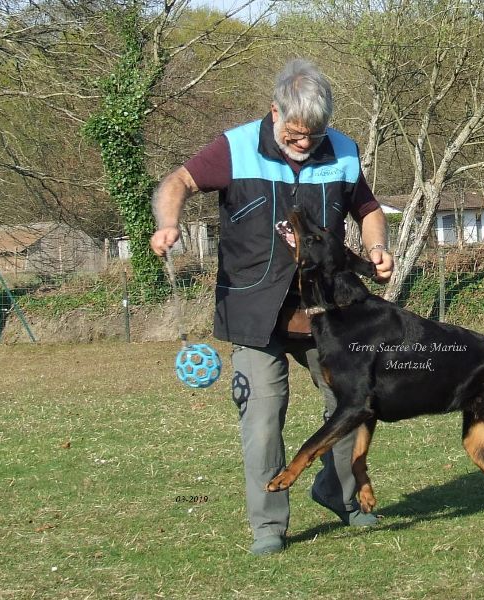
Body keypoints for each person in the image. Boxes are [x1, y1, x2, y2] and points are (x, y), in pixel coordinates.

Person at [150, 58, 394, 556]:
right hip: (254, 311)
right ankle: (268, 525)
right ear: (275, 112)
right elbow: (176, 183)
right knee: (263, 418)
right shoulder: (235, 147)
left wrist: (375, 248)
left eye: (315, 135)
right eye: (297, 133)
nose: (306, 144)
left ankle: (339, 493)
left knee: (352, 406)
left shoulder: (343, 149)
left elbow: (366, 208)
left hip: (327, 312)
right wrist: (168, 223)